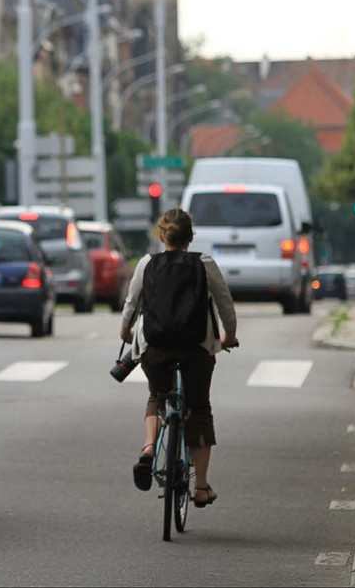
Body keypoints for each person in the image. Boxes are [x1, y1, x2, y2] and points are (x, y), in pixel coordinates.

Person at [120, 208, 237, 507]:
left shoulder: (147, 263)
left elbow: (132, 302)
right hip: (196, 347)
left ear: (161, 236)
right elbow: (225, 304)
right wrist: (229, 336)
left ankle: (148, 449)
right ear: (191, 237)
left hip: (155, 347)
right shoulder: (204, 263)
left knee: (157, 396)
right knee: (199, 408)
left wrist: (125, 331)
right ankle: (201, 487)